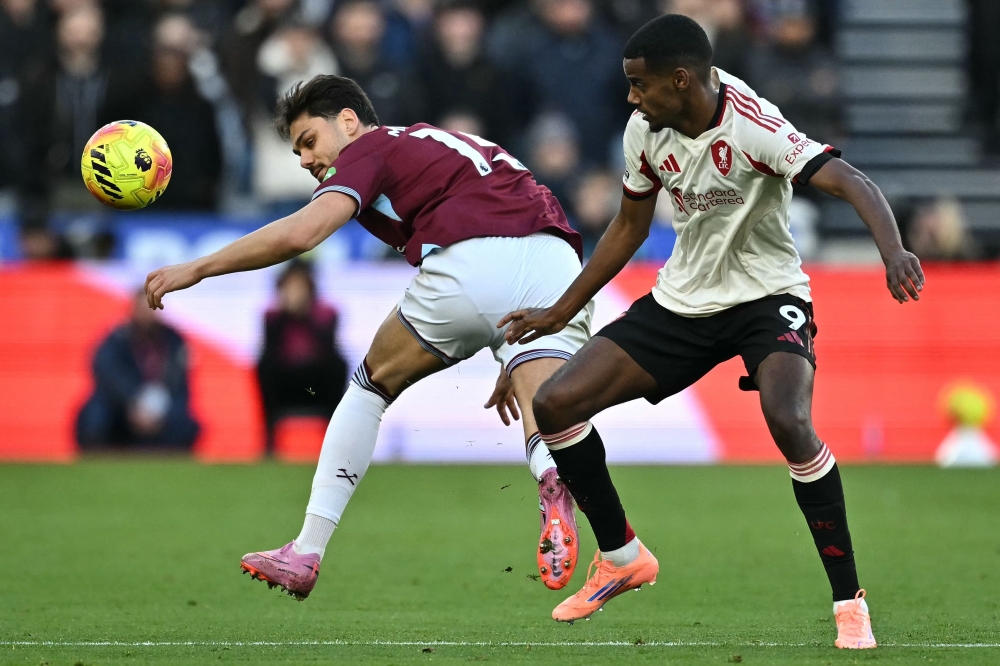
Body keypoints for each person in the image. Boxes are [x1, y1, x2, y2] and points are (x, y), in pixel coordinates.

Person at [500, 14, 924, 647]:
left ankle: (848, 603)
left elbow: (850, 180)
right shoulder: (645, 130)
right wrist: (562, 311)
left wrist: (893, 252)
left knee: (790, 420)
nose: (631, 97)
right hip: (684, 302)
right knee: (557, 401)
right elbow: (628, 227)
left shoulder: (753, 124)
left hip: (767, 297)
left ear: (680, 80)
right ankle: (620, 556)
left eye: (640, 85)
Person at [144, 74, 594, 598]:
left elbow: (301, 233)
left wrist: (196, 268)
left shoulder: (370, 148)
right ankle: (552, 479)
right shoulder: (441, 142)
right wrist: (508, 350)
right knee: (544, 403)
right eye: (296, 153)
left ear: (349, 121)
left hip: (476, 256)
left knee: (368, 387)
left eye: (309, 141)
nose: (307, 160)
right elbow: (516, 226)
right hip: (559, 263)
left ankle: (306, 550)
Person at [76, 289, 200, 450]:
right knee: (95, 415)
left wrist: (156, 410)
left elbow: (180, 384)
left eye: (152, 308)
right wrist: (134, 402)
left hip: (162, 407)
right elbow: (108, 375)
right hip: (121, 406)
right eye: (143, 308)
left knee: (185, 422)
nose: (147, 314)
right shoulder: (116, 339)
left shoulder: (174, 341)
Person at [256, 260, 349, 448]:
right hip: (286, 385)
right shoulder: (273, 317)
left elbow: (328, 350)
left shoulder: (326, 314)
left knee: (338, 366)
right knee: (264, 367)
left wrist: (303, 313)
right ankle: (269, 441)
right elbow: (270, 352)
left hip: (316, 385)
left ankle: (337, 441)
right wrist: (287, 313)